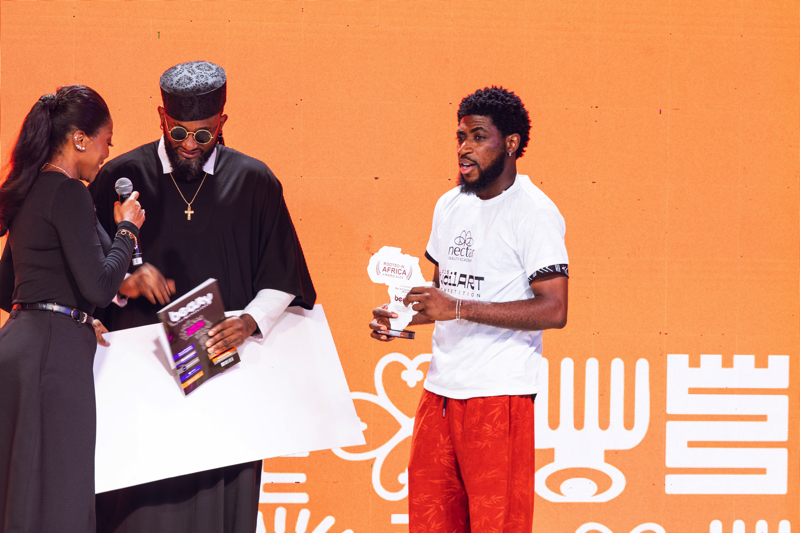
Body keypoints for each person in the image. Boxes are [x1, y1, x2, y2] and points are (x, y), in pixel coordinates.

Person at [90, 61, 316, 533]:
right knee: (138, 510)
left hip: (226, 378)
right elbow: (85, 272)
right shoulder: (121, 175)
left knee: (219, 505)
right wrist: (116, 290)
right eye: (178, 133)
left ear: (222, 122)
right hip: (139, 382)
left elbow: (284, 273)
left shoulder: (254, 181)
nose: (190, 145)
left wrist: (250, 321)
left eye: (203, 135)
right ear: (161, 117)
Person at [370, 87, 569, 532]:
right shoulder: (449, 205)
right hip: (439, 394)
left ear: (511, 144)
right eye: (460, 136)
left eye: (478, 137)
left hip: (499, 396)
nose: (464, 148)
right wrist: (401, 315)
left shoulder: (534, 212)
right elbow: (442, 296)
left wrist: (456, 306)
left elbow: (554, 309)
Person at [0, 85, 145, 532]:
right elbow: (100, 284)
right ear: (80, 138)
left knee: (22, 486)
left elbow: (6, 289)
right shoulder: (68, 192)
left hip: (19, 348)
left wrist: (75, 316)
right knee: (61, 489)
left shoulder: (29, 189)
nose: (107, 153)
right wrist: (127, 231)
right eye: (106, 141)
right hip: (54, 359)